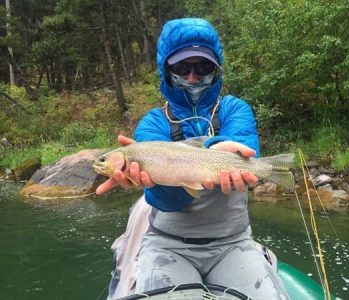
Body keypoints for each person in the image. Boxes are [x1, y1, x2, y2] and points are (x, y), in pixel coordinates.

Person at [97, 18, 289, 300]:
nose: (192, 77)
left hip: (233, 244)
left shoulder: (235, 109)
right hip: (168, 246)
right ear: (166, 70)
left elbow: (248, 153)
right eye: (181, 67)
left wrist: (218, 147)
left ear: (217, 69)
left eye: (203, 67)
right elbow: (166, 201)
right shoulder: (152, 124)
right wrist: (156, 184)